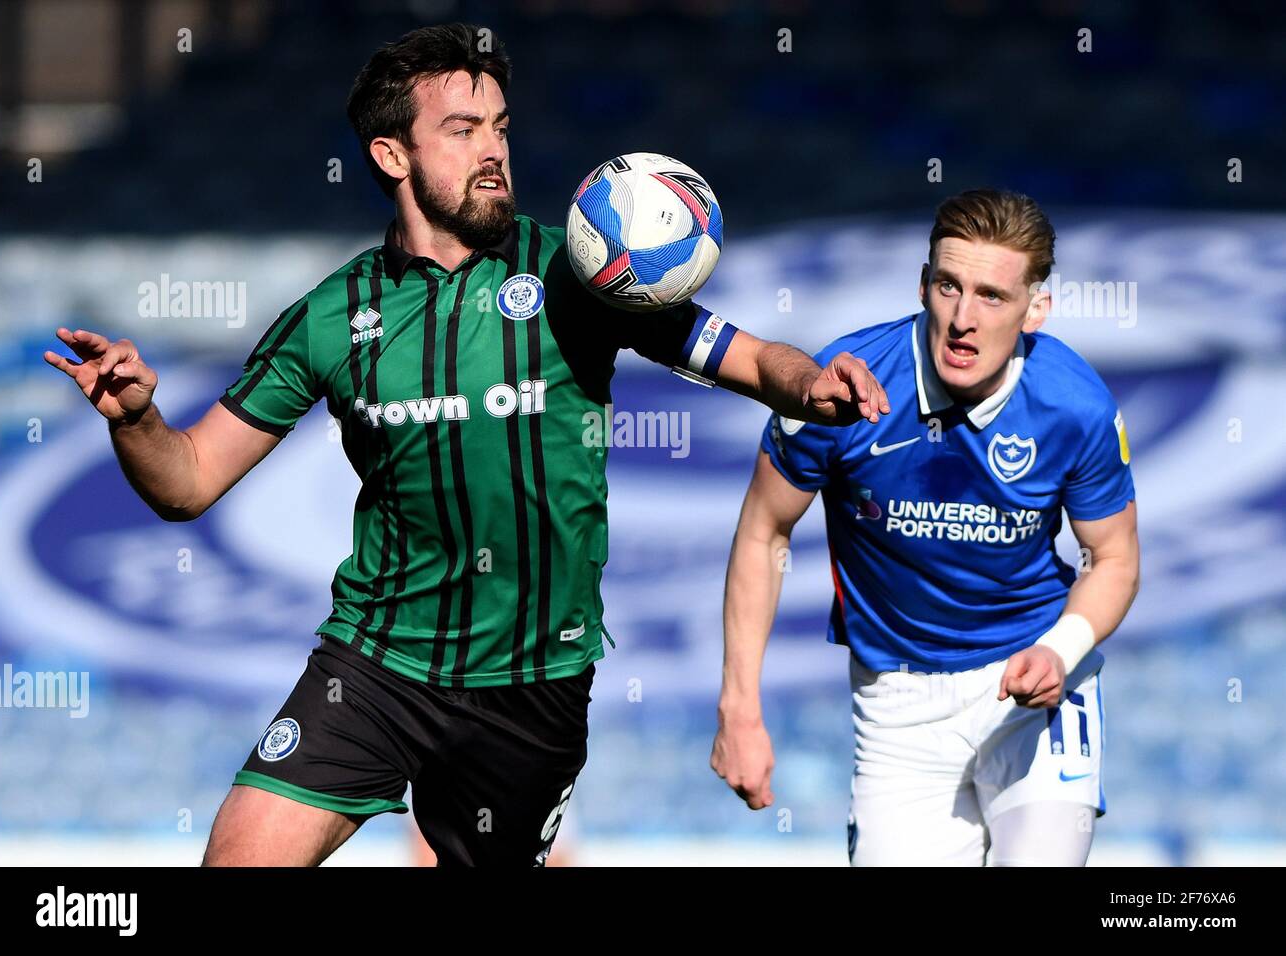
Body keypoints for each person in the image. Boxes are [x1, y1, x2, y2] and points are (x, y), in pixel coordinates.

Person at [44, 23, 889, 866]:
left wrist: (807, 382)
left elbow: (746, 356)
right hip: (376, 663)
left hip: (531, 685)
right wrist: (136, 421)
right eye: (462, 129)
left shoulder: (581, 278)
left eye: (500, 127)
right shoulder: (330, 318)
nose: (493, 150)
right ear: (391, 156)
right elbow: (186, 482)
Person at [711, 189, 1140, 866]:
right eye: (948, 286)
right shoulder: (842, 388)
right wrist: (739, 707)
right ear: (923, 285)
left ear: (1036, 310)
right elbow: (764, 531)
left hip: (1033, 683)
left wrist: (1062, 649)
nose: (963, 319)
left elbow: (1112, 558)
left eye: (992, 297)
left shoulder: (1075, 405)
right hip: (896, 706)